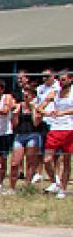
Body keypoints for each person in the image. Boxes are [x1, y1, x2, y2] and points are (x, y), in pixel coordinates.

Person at [39, 69, 73, 199]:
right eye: (59, 79)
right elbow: (40, 107)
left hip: (69, 128)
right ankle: (56, 181)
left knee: (66, 161)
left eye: (63, 79)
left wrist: (62, 113)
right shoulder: (55, 93)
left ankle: (63, 189)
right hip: (55, 128)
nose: (60, 82)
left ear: (70, 79)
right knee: (47, 159)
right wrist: (47, 112)